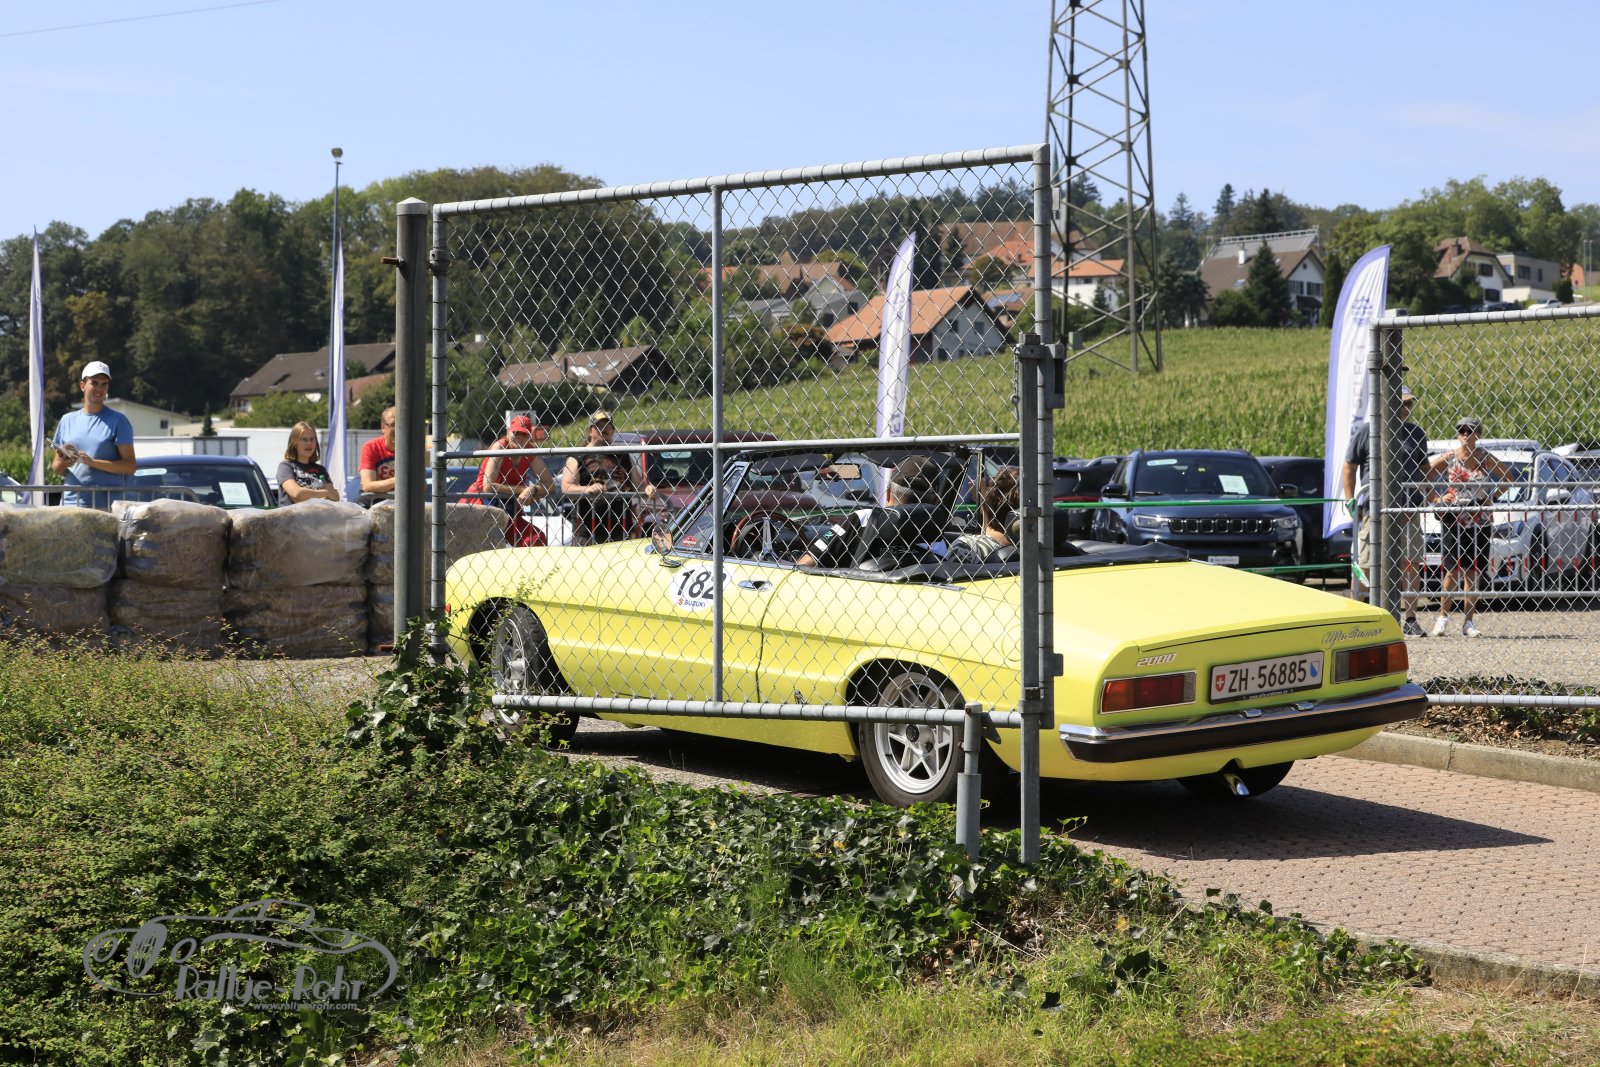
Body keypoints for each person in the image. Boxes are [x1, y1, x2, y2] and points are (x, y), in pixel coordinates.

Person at [1341, 385, 1430, 635]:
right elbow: (1349, 466)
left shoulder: (1415, 433)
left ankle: (1410, 619)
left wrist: (1421, 497)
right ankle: (1359, 618)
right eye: (1402, 403)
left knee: (1409, 564)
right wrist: (1350, 499)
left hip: (1408, 511)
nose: (1406, 408)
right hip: (1375, 510)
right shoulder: (1367, 431)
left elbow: (1424, 469)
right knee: (1367, 562)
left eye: (1409, 404)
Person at [1426, 416, 1514, 639]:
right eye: (1462, 430)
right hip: (1454, 519)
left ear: (1478, 434)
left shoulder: (1485, 457)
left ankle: (1468, 621)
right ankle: (1442, 617)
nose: (1466, 434)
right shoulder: (1450, 457)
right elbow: (1426, 474)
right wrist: (1437, 498)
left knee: (1473, 571)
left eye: (1470, 430)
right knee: (1452, 570)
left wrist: (1492, 496)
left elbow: (1507, 478)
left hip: (1479, 519)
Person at [797, 455, 945, 568]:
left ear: (888, 493)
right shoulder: (940, 541)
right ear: (935, 501)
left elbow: (805, 565)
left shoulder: (862, 519)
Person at [560, 410, 657, 544]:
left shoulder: (623, 455)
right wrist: (588, 489)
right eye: (598, 426)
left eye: (608, 426)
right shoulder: (578, 456)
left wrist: (648, 489)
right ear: (590, 431)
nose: (603, 429)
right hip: (589, 530)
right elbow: (566, 487)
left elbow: (639, 485)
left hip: (621, 529)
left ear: (612, 431)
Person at [49, 360, 136, 509]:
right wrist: (65, 461)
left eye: (104, 384)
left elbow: (130, 466)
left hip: (107, 506)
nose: (99, 388)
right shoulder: (66, 420)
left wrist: (92, 462)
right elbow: (56, 468)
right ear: (82, 386)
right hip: (71, 504)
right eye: (94, 383)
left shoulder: (119, 421)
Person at [466, 414, 557, 546]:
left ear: (530, 437)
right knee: (479, 545)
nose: (519, 436)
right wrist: (523, 490)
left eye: (524, 434)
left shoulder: (530, 451)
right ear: (508, 433)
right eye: (516, 432)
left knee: (535, 539)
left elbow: (550, 485)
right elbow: (488, 486)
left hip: (508, 506)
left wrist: (533, 489)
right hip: (481, 503)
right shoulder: (500, 447)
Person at [948, 466, 1020, 562]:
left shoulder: (966, 547)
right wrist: (985, 502)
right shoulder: (1033, 547)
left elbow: (990, 531)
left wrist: (985, 502)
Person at [276, 421, 340, 505]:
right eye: (304, 439)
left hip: (318, 514)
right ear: (294, 443)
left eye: (312, 439)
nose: (309, 443)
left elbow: (335, 496)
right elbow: (297, 494)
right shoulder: (286, 467)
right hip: (293, 514)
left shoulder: (321, 470)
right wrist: (326, 493)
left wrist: (306, 495)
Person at [359, 407, 398, 502]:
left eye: (402, 424)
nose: (397, 429)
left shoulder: (413, 449)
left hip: (403, 502)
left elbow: (422, 485)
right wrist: (399, 480)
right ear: (383, 427)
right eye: (393, 425)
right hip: (375, 501)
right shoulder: (371, 447)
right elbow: (367, 485)